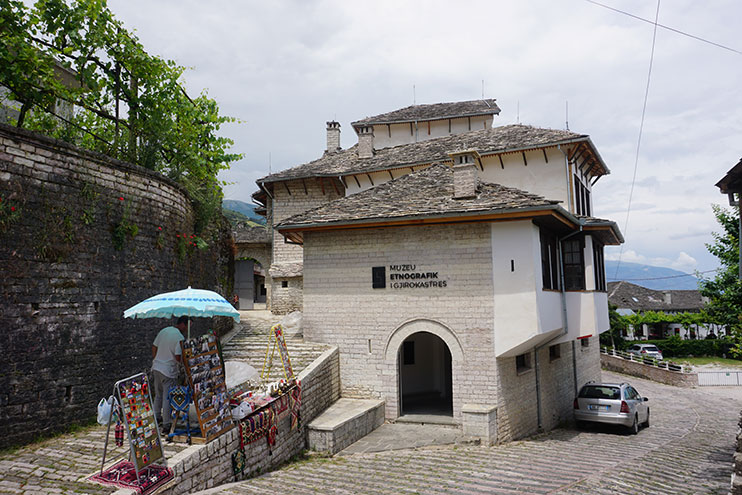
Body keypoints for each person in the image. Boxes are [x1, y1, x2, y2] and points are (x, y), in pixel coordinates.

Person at [151, 316, 187, 433]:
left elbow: (154, 347)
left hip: (156, 367)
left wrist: (157, 359)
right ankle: (166, 424)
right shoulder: (179, 337)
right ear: (182, 324)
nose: (186, 329)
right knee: (168, 397)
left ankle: (156, 417)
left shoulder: (164, 330)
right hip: (168, 370)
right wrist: (181, 363)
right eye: (187, 326)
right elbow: (177, 356)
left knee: (158, 394)